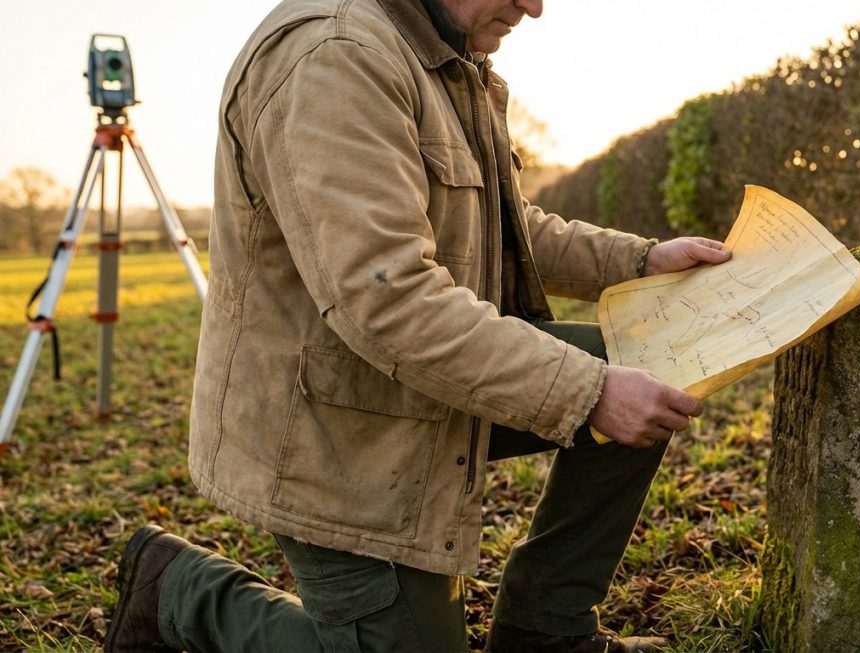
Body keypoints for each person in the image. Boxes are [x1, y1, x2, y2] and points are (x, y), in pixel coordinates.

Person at [103, 0, 731, 651]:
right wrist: (589, 391)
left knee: (647, 361)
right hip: (338, 430)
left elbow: (505, 226)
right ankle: (179, 591)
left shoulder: (445, 54)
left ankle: (546, 631)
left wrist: (641, 259)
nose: (535, 7)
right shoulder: (336, 57)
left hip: (421, 381)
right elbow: (387, 298)